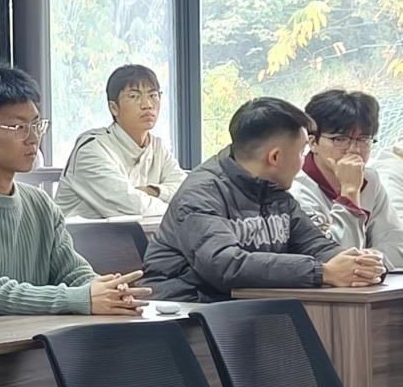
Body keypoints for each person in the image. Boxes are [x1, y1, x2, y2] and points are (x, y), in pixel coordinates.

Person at [0, 61, 148, 317]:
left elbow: (72, 271)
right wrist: (80, 298)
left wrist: (105, 290)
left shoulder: (40, 203)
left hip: (40, 335)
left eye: (36, 124)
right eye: (18, 127)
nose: (33, 138)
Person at [144, 97, 386, 302]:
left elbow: (315, 245)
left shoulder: (274, 191)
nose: (303, 161)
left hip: (246, 309)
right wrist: (322, 272)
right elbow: (224, 265)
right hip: (185, 312)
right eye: (301, 152)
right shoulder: (200, 194)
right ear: (275, 157)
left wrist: (357, 264)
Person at [56, 64, 186, 219]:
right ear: (114, 107)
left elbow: (187, 191)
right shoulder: (92, 149)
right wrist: (179, 210)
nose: (147, 105)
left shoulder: (157, 147)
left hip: (139, 233)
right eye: (134, 96)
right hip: (80, 234)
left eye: (153, 95)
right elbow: (133, 207)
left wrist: (153, 191)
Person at [291, 90, 403, 268]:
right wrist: (349, 192)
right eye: (340, 139)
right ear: (312, 143)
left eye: (363, 139)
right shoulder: (295, 189)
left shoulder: (370, 178)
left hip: (370, 282)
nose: (354, 149)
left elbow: (397, 247)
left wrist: (367, 261)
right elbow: (335, 260)